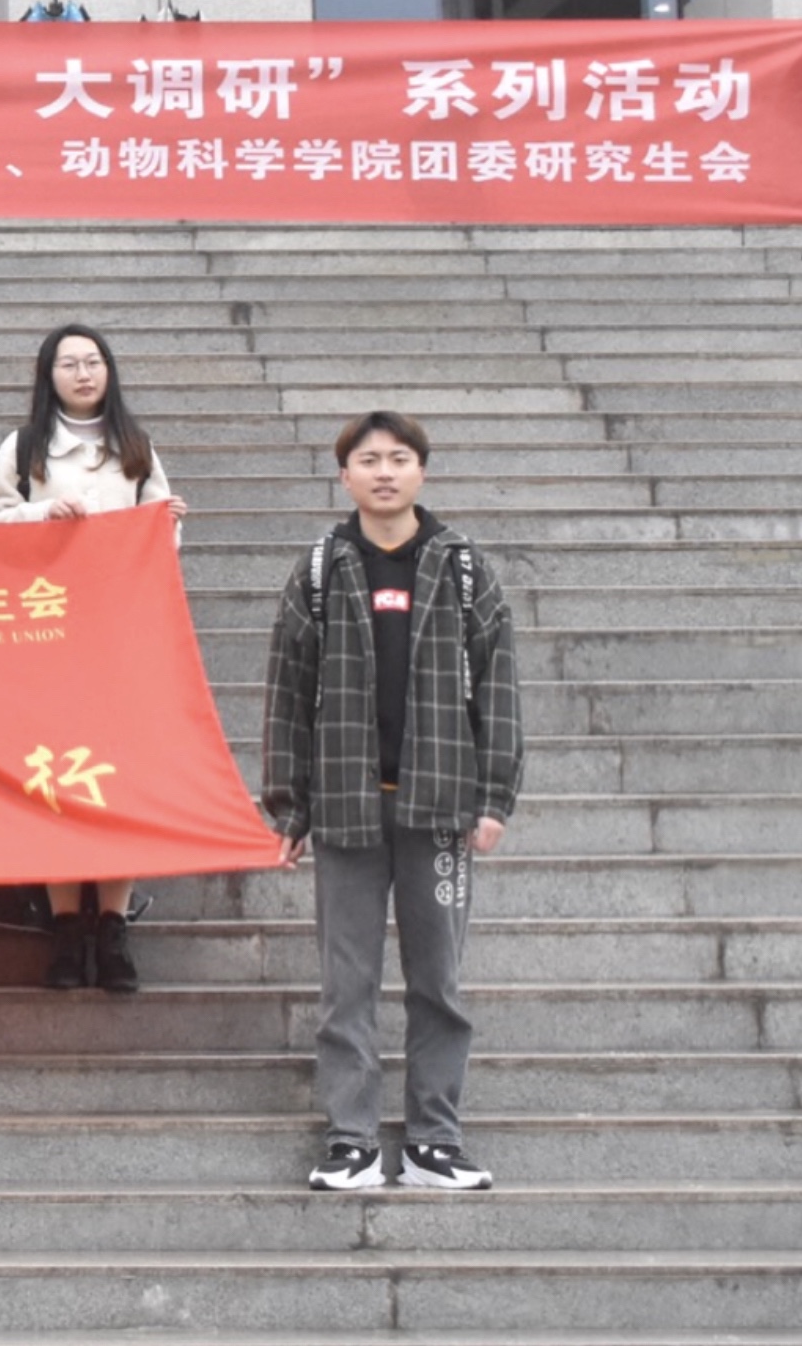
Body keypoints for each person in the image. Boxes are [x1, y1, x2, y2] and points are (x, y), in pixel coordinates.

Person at [259, 411, 521, 1195]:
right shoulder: (319, 570)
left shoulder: (464, 569)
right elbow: (286, 694)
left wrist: (494, 797)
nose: (383, 471)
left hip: (439, 808)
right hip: (347, 808)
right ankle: (353, 1141)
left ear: (421, 471)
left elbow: (500, 688)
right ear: (345, 476)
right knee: (347, 984)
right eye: (368, 460)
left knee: (439, 979)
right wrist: (289, 808)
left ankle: (436, 1139)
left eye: (398, 458)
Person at [0, 323, 186, 992]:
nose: (83, 373)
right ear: (49, 376)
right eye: (68, 363)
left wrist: (168, 523)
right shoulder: (24, 447)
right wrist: (41, 515)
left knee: (117, 775)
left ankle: (113, 925)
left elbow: (160, 542)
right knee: (55, 773)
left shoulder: (136, 446)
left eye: (93, 361)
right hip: (47, 636)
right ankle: (66, 925)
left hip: (119, 637)